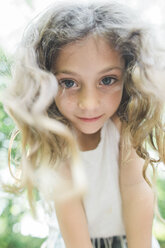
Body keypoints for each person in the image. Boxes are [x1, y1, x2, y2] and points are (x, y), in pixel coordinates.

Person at [4, 1, 165, 248]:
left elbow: (135, 190)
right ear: (45, 81)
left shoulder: (126, 126)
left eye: (107, 80)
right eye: (69, 83)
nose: (89, 104)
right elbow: (68, 207)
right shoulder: (56, 135)